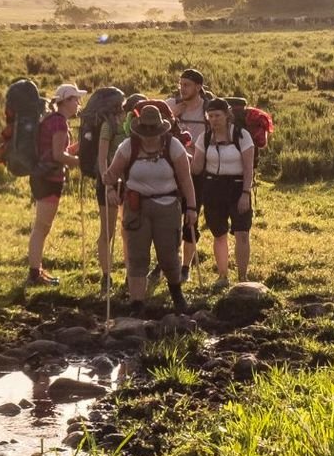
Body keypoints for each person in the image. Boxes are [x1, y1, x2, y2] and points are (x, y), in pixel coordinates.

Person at [101, 102, 198, 316]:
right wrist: (109, 188)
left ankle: (176, 295)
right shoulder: (128, 147)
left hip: (168, 206)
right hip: (136, 208)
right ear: (140, 129)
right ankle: (137, 303)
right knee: (137, 256)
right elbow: (111, 174)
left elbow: (185, 179)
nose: (150, 135)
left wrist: (191, 207)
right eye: (146, 131)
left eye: (154, 131)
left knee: (169, 255)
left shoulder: (174, 147)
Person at [25, 83, 84, 286]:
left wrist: (80, 148)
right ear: (66, 101)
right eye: (75, 99)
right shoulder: (59, 123)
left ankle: (37, 269)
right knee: (42, 227)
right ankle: (34, 273)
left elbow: (59, 150)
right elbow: (59, 155)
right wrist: (82, 163)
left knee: (41, 227)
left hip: (42, 176)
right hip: (49, 179)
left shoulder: (52, 119)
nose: (78, 103)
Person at [196, 97, 256, 283]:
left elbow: (249, 168)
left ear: (227, 115)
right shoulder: (204, 138)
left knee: (242, 232)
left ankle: (242, 276)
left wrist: (246, 193)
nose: (214, 120)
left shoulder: (241, 135)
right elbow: (196, 168)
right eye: (210, 116)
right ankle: (223, 276)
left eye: (217, 115)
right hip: (213, 187)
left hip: (238, 187)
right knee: (219, 233)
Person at [169, 69, 208, 281]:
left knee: (191, 218)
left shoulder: (207, 110)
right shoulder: (172, 104)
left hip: (197, 172)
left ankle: (185, 267)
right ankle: (169, 262)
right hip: (172, 171)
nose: (182, 89)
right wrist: (174, 112)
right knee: (170, 218)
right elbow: (158, 125)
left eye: (187, 85)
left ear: (198, 87)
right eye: (181, 84)